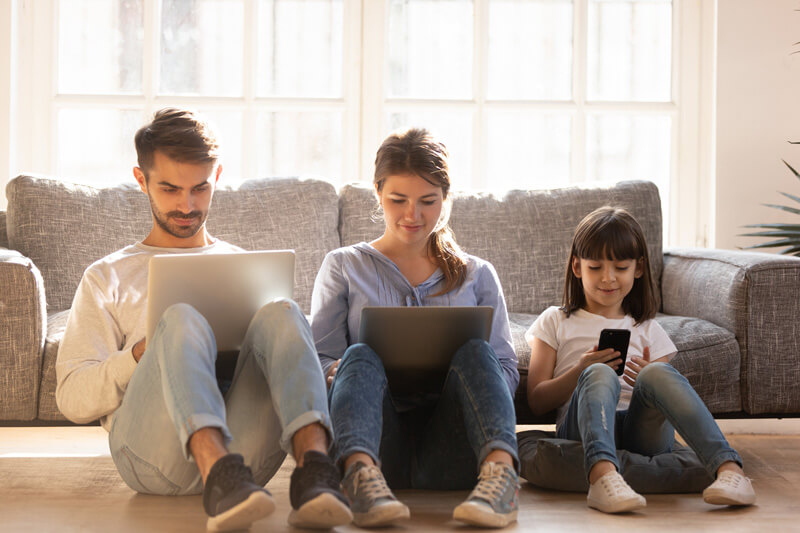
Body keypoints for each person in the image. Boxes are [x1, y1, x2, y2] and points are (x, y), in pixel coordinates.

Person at [56, 108, 352, 531]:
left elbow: (285, 358)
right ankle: (219, 476)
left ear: (217, 178)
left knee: (284, 311)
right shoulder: (108, 275)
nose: (187, 205)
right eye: (170, 189)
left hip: (247, 455)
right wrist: (142, 352)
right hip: (151, 456)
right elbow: (71, 397)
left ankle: (317, 475)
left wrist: (306, 371)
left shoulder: (243, 267)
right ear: (141, 181)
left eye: (200, 188)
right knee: (178, 318)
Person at [310, 128, 520, 528]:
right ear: (377, 193)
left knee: (480, 352)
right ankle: (359, 479)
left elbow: (507, 371)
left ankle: (502, 480)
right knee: (358, 354)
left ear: (446, 197)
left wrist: (473, 382)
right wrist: (338, 372)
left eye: (428, 201)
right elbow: (318, 359)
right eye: (398, 200)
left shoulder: (477, 274)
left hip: (455, 447)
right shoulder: (343, 266)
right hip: (374, 440)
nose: (413, 216)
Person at [525, 206, 757, 514]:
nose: (608, 278)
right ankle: (603, 477)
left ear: (638, 269)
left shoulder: (647, 328)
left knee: (658, 373)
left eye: (620, 267)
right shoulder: (555, 320)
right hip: (583, 428)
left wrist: (648, 375)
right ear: (577, 267)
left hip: (640, 432)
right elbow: (537, 401)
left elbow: (667, 402)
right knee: (598, 372)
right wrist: (579, 371)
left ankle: (730, 471)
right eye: (595, 267)